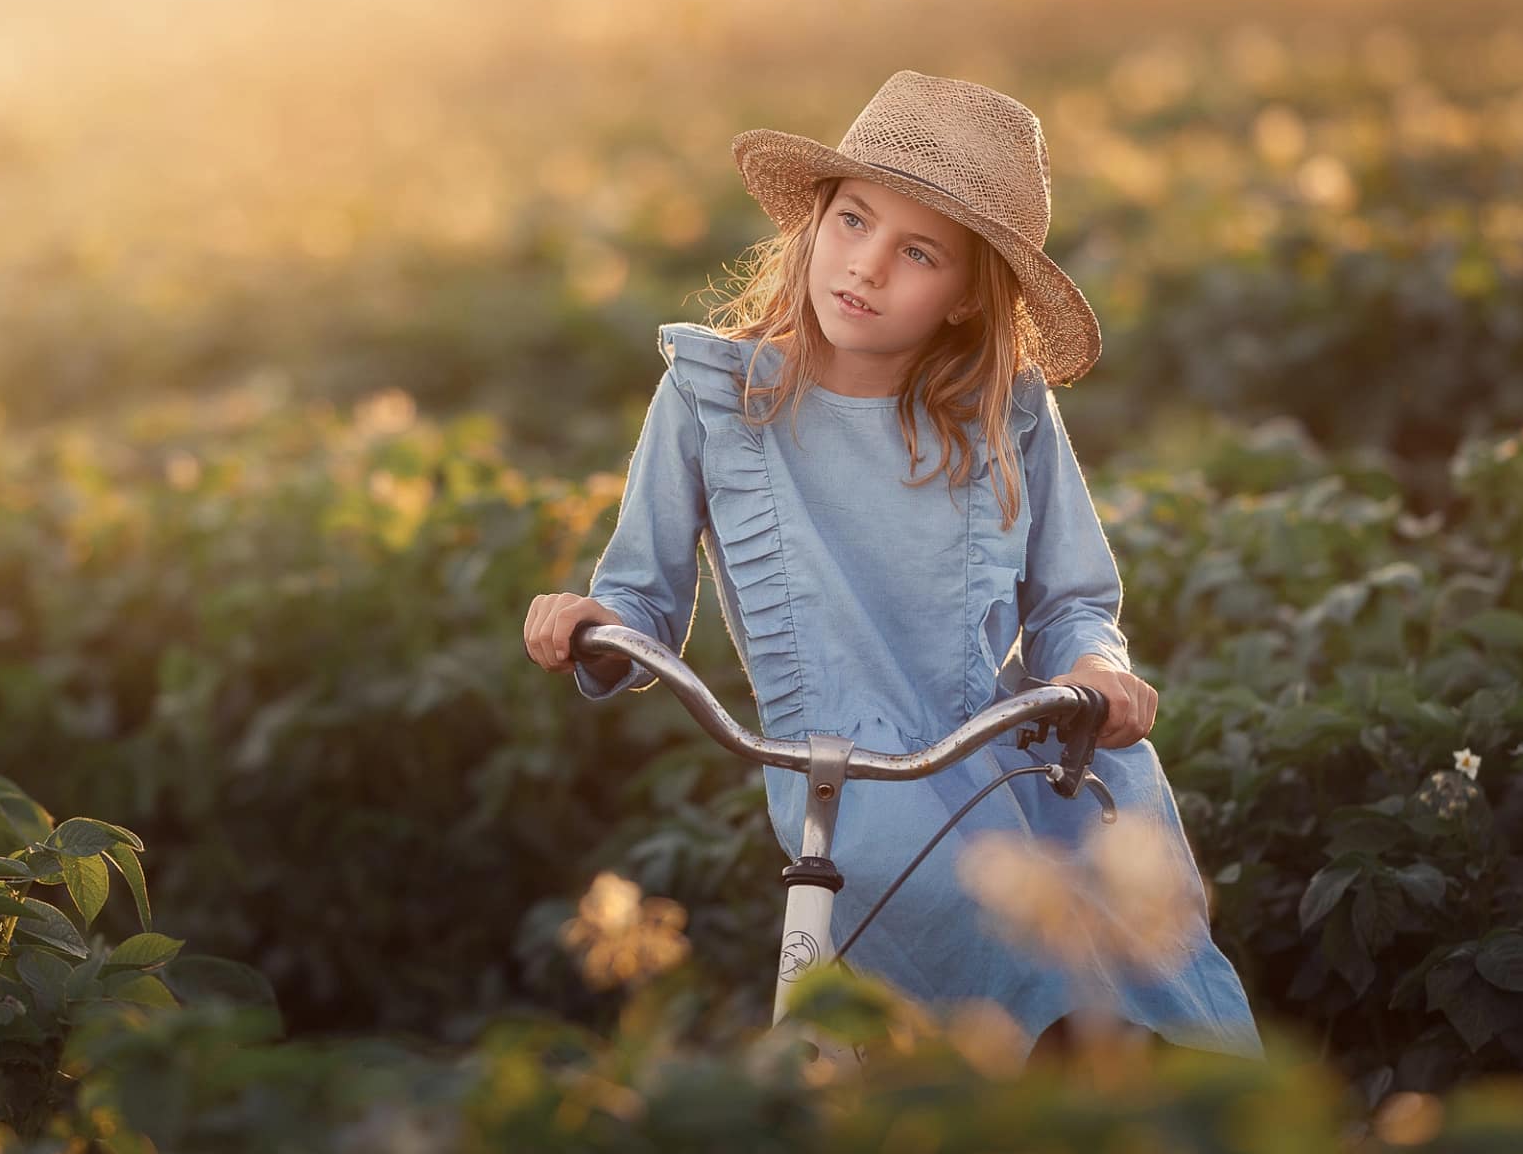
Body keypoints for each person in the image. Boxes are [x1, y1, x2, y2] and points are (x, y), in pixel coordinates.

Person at [521, 71, 1264, 1064]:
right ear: (814, 220)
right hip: (855, 778)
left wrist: (1092, 668)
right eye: (853, 222)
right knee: (984, 976)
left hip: (1030, 754)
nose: (866, 266)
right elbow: (640, 594)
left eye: (917, 252)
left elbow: (1076, 598)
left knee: (1138, 987)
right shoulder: (714, 397)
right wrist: (593, 625)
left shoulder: (1007, 413)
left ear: (964, 297)